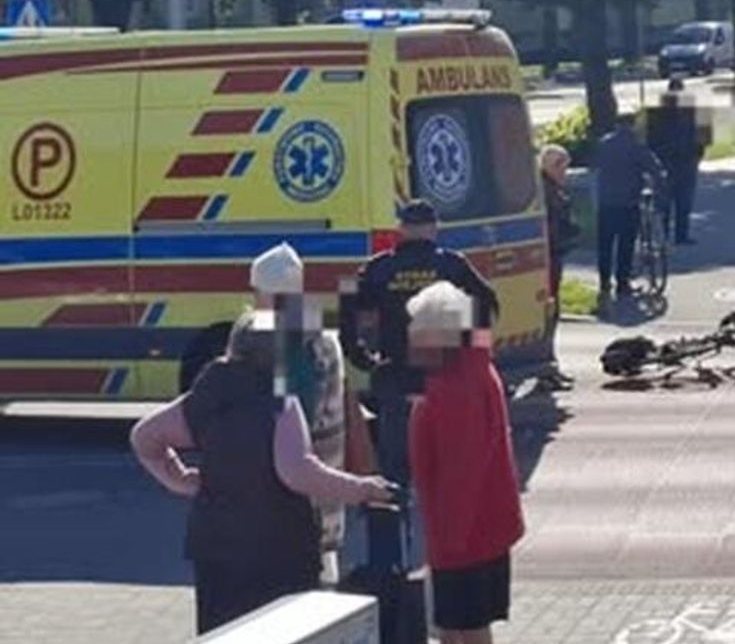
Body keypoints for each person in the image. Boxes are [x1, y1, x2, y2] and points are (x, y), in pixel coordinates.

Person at [131, 312, 394, 634]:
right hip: (276, 546)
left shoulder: (206, 394)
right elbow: (296, 471)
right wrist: (361, 488)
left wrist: (182, 480)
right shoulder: (280, 402)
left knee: (222, 631)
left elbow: (145, 438)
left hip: (215, 546)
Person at [339, 200, 499, 497]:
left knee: (396, 439)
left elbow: (346, 303)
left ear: (401, 228)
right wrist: (473, 348)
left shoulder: (378, 267)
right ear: (433, 228)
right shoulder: (452, 264)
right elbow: (488, 301)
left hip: (396, 365)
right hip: (445, 369)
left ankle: (397, 494)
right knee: (446, 439)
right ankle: (445, 493)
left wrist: (356, 352)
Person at [407, 282, 527, 644]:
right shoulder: (477, 369)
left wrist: (446, 543)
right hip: (486, 526)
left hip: (463, 535)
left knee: (460, 628)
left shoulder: (450, 390)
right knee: (466, 628)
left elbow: (460, 470)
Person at [250, 243, 350, 584]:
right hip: (323, 497)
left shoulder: (280, 344)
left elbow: (290, 418)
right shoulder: (321, 336)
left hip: (292, 507)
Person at [593, 112, 667, 301]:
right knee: (625, 244)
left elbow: (594, 165)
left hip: (606, 201)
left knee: (605, 244)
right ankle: (622, 282)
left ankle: (603, 282)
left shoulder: (604, 143)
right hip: (628, 202)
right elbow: (654, 169)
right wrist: (659, 186)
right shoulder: (636, 146)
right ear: (632, 125)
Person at [536, 145, 578, 392]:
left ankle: (550, 367)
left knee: (553, 313)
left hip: (554, 255)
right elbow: (551, 224)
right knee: (548, 314)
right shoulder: (546, 191)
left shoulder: (551, 188)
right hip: (548, 258)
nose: (566, 172)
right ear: (552, 166)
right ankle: (546, 369)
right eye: (563, 167)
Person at [647, 78, 706, 245]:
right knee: (676, 200)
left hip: (677, 160)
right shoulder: (687, 112)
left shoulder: (688, 112)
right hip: (675, 160)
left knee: (676, 200)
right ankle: (674, 235)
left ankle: (672, 235)